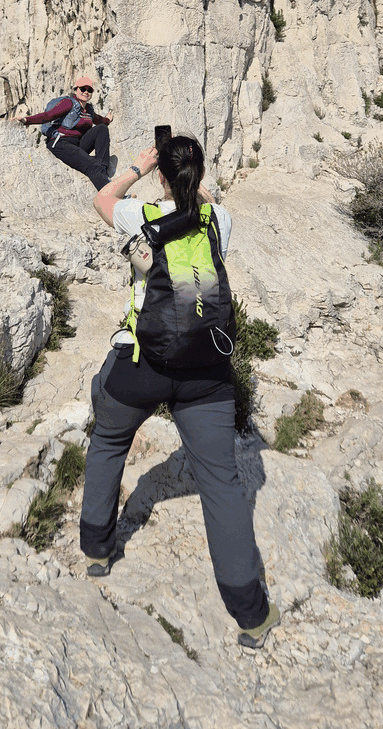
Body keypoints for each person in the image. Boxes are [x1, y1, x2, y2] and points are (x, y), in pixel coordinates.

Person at [79, 135, 280, 650]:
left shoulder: (140, 215)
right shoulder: (219, 220)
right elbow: (205, 201)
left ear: (163, 176)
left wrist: (139, 167)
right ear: (200, 173)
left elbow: (102, 199)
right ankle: (252, 616)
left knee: (108, 441)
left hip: (142, 362)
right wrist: (192, 182)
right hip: (205, 370)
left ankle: (98, 552)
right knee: (221, 484)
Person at [11, 76, 115, 191]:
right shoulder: (68, 103)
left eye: (89, 90)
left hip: (77, 144)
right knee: (91, 165)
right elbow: (48, 116)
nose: (86, 92)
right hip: (61, 143)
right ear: (76, 90)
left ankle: (103, 169)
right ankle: (108, 192)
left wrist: (108, 120)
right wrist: (26, 120)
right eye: (83, 89)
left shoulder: (88, 110)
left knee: (101, 129)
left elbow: (99, 120)